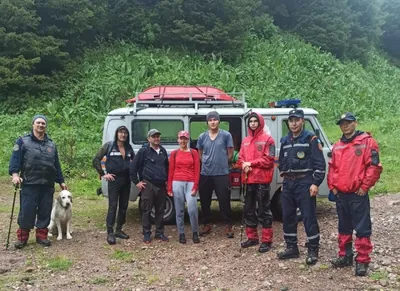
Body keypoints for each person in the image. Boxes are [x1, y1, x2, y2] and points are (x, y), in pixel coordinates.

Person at [328, 112, 382, 276]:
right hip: (341, 194)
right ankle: (345, 256)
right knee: (343, 227)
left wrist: (365, 186)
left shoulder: (367, 142)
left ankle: (362, 261)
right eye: (342, 123)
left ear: (355, 123)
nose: (345, 125)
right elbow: (332, 167)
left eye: (348, 122)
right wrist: (333, 186)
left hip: (358, 194)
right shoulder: (337, 145)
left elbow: (374, 167)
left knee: (362, 228)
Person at [9, 114, 67, 249]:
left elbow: (56, 165)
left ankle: (42, 236)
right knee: (27, 210)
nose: (41, 125)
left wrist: (61, 181)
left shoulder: (51, 144)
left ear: (45, 126)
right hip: (29, 183)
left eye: (43, 123)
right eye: (38, 123)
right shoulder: (22, 141)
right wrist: (15, 174)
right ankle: (22, 238)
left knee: (45, 211)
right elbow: (15, 160)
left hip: (47, 184)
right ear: (33, 125)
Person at [277, 109, 326, 265]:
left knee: (308, 216)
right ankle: (291, 247)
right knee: (288, 216)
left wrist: (315, 183)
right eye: (291, 120)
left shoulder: (311, 139)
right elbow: (282, 164)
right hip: (288, 184)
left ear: (302, 121)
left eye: (297, 120)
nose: (294, 123)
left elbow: (320, 164)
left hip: (305, 182)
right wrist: (284, 181)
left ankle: (313, 249)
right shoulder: (284, 141)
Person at [237, 113, 275, 253]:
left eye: (255, 121)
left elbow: (269, 159)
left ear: (260, 122)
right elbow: (240, 158)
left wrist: (250, 163)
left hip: (262, 180)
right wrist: (243, 165)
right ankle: (252, 237)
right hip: (248, 180)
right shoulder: (245, 140)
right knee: (248, 209)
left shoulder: (268, 139)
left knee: (264, 210)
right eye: (250, 121)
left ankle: (267, 240)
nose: (252, 123)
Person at [92, 126, 135, 245]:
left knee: (123, 206)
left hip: (126, 181)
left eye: (125, 133)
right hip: (114, 181)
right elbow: (96, 160)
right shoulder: (109, 146)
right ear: (117, 134)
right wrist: (103, 174)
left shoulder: (129, 148)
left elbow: (134, 162)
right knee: (113, 206)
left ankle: (119, 230)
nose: (123, 135)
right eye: (121, 132)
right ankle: (110, 233)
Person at [197, 111, 234, 238]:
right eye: (210, 120)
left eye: (215, 119)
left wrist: (222, 161)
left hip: (222, 173)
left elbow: (230, 153)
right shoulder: (202, 136)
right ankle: (206, 224)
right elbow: (200, 153)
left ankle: (228, 225)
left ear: (219, 121)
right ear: (207, 122)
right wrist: (207, 161)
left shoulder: (226, 135)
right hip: (206, 173)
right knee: (205, 200)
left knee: (224, 200)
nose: (213, 122)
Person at [130, 129, 169, 244]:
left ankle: (159, 233)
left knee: (160, 210)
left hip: (161, 185)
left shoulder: (162, 150)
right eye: (154, 136)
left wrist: (166, 179)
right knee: (146, 210)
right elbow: (133, 167)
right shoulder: (144, 151)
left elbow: (166, 166)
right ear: (149, 139)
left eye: (158, 136)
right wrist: (137, 181)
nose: (156, 138)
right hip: (148, 185)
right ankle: (146, 233)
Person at [167, 131, 201, 244]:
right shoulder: (174, 153)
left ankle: (195, 232)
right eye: (181, 139)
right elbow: (170, 170)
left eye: (185, 139)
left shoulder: (194, 152)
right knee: (179, 209)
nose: (183, 141)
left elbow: (197, 170)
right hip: (177, 181)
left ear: (188, 140)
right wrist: (169, 188)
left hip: (190, 181)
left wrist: (196, 186)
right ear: (178, 140)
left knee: (192, 209)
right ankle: (181, 233)